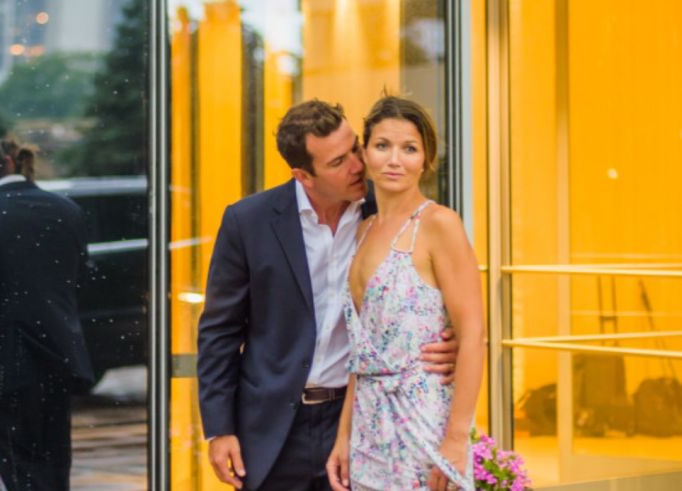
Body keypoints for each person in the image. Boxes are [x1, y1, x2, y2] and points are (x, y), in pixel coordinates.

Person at [197, 100, 459, 491]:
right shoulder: (247, 222)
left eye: (355, 148)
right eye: (338, 162)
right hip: (273, 427)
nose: (357, 165)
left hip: (362, 418)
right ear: (303, 175)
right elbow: (219, 332)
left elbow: (426, 299)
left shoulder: (386, 213)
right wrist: (220, 429)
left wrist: (446, 340)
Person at [326, 96, 484, 491]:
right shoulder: (361, 231)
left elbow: (473, 336)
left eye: (409, 148)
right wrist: (343, 437)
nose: (394, 159)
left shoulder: (439, 225)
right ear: (364, 153)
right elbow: (360, 355)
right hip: (367, 426)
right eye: (383, 146)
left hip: (424, 422)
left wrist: (455, 438)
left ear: (425, 158)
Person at [0, 139, 94, 490]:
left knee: (20, 472)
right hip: (60, 358)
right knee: (53, 467)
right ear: (9, 162)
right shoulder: (66, 209)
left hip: (8, 365)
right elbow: (80, 282)